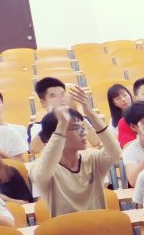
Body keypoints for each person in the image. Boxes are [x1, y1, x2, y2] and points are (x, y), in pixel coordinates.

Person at [31, 86, 121, 217]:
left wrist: (90, 113)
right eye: (76, 128)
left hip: (98, 225)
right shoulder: (40, 167)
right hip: (65, 228)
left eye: (82, 127)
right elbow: (43, 171)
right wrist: (61, 125)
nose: (83, 132)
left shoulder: (92, 158)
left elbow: (114, 151)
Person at [28, 77, 69, 155]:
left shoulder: (79, 120)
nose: (61, 99)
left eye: (62, 94)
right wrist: (52, 118)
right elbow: (34, 150)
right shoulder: (37, 126)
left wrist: (76, 112)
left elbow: (94, 142)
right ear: (43, 102)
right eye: (53, 96)